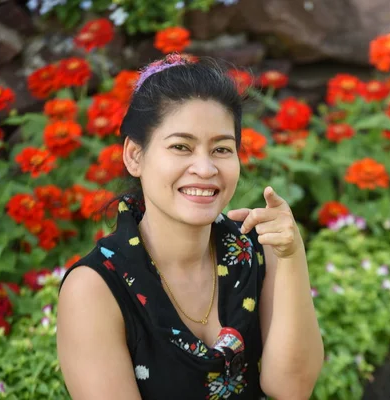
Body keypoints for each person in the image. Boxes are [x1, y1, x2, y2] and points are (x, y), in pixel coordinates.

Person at [56, 54, 324, 400]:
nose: (205, 167)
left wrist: (291, 255)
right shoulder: (96, 288)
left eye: (222, 149)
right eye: (181, 146)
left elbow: (292, 389)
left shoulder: (258, 249)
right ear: (135, 156)